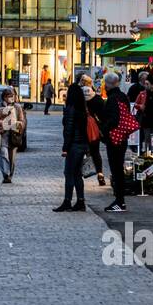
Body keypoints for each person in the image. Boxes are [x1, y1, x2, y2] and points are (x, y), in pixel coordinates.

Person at [98, 71, 133, 212]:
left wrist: (103, 131)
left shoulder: (112, 99)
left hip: (114, 138)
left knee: (116, 169)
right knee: (118, 169)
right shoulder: (123, 97)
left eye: (104, 84)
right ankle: (120, 201)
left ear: (108, 84)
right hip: (122, 137)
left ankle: (120, 201)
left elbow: (113, 120)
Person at [57, 76, 91, 211]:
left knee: (69, 173)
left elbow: (69, 130)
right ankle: (81, 201)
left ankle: (67, 201)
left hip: (74, 145)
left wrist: (65, 148)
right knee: (77, 174)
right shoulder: (83, 110)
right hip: (82, 144)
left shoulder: (71, 110)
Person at [0, 87, 25, 184]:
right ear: (4, 97)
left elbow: (22, 121)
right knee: (4, 154)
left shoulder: (17, 107)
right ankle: (5, 174)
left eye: (13, 96)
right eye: (9, 96)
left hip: (13, 136)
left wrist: (18, 124)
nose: (12, 98)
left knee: (12, 158)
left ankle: (10, 175)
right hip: (2, 136)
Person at [80, 74, 108, 187]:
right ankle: (100, 174)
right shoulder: (96, 98)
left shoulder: (76, 96)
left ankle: (78, 175)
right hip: (94, 131)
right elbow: (103, 116)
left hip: (79, 130)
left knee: (79, 152)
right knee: (95, 152)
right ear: (90, 84)